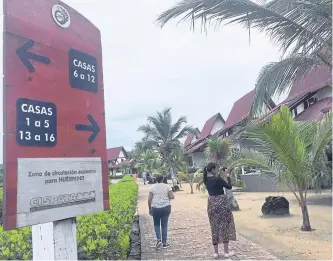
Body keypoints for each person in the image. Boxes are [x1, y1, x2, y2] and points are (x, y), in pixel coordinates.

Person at [203, 162, 237, 259]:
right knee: (225, 225)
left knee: (214, 226)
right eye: (216, 169)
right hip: (221, 203)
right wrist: (227, 175)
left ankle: (216, 253)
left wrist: (220, 174)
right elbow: (229, 186)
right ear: (213, 169)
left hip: (211, 203)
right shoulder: (218, 179)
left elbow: (215, 180)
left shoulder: (205, 179)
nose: (217, 170)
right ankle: (226, 252)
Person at [148, 174, 175, 249]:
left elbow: (149, 199)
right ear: (163, 179)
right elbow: (172, 196)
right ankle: (164, 243)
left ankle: (158, 239)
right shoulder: (167, 186)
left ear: (156, 179)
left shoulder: (152, 187)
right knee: (164, 225)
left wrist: (150, 208)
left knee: (156, 224)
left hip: (155, 208)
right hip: (166, 207)